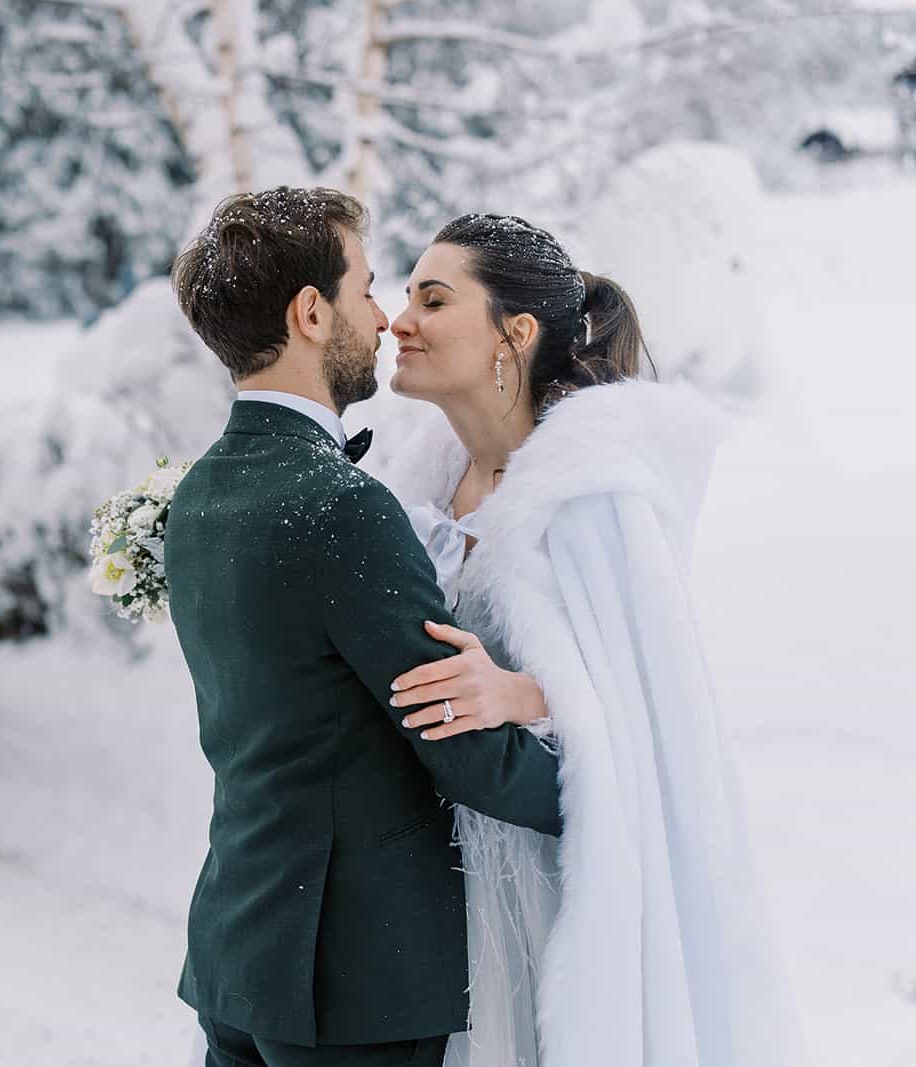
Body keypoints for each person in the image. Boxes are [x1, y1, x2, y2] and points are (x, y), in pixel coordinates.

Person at [383, 213, 803, 1067]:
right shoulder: (419, 484)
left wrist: (526, 693)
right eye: (403, 297)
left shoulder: (592, 492)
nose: (400, 321)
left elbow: (662, 712)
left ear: (517, 331)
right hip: (427, 891)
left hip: (550, 894)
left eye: (433, 298)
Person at [164, 188, 563, 1067]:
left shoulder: (196, 495)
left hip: (240, 954)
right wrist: (609, 793)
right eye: (368, 289)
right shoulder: (341, 509)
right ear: (311, 312)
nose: (384, 320)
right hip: (351, 985)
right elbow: (459, 744)